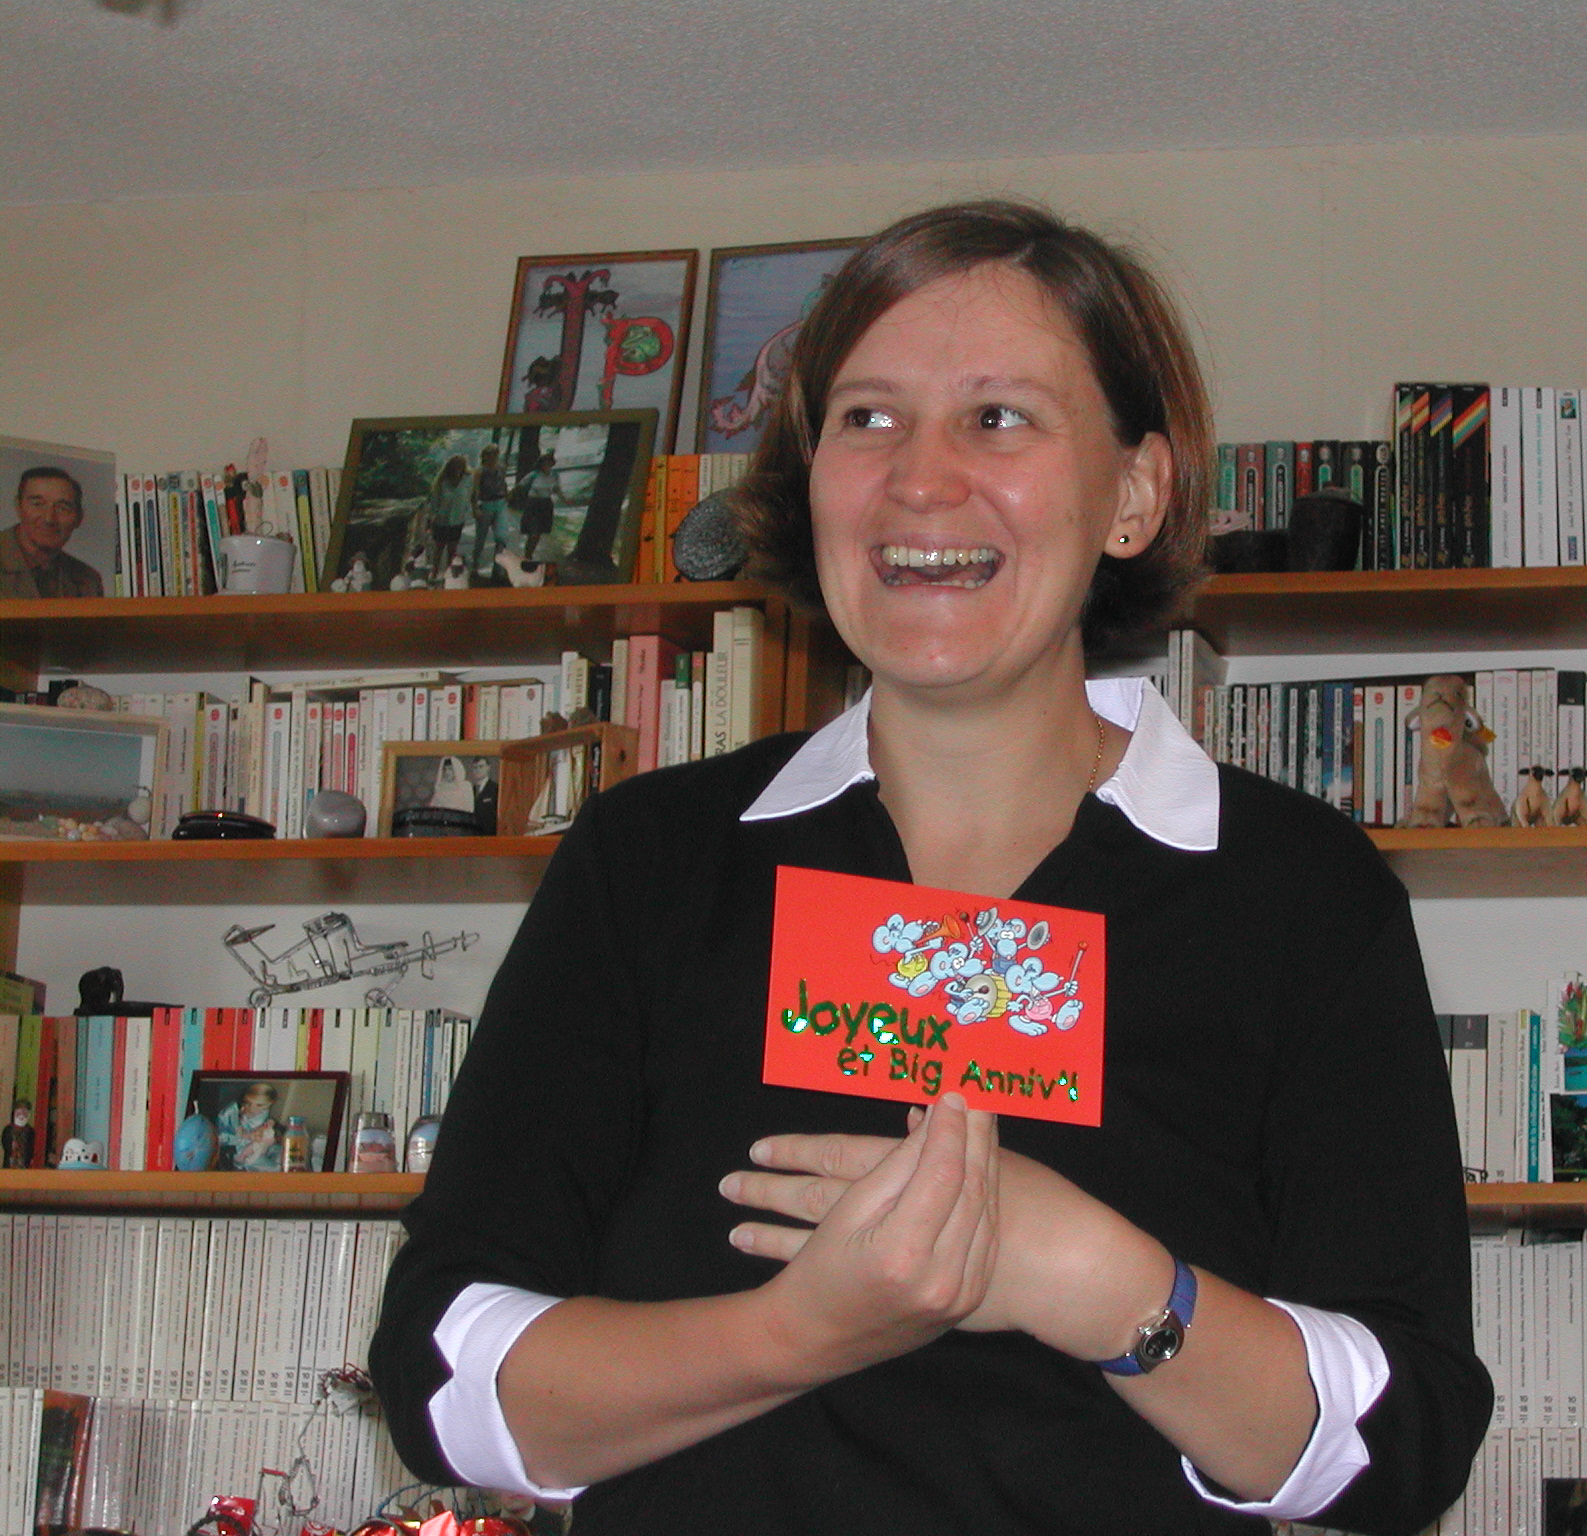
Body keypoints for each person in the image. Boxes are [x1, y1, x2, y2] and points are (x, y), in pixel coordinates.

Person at [370, 201, 1488, 1533]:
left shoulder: (1299, 894)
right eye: (868, 417)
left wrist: (1095, 1282)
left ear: (1134, 493)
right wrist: (802, 1330)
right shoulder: (650, 861)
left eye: (998, 418)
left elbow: (1403, 1437)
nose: (919, 478)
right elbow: (442, 1374)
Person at [0, 466, 103, 599]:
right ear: (18, 507)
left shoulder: (88, 580)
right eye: (37, 504)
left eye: (62, 508)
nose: (49, 519)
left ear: (79, 518)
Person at [217, 1081, 283, 1171]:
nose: (254, 1108)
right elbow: (223, 1138)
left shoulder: (263, 1112)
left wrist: (268, 1125)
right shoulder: (232, 1112)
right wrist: (249, 1136)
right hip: (238, 1147)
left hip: (259, 1144)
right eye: (250, 1103)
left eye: (261, 1105)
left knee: (281, 1154)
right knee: (274, 1168)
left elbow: (265, 1126)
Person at [425, 454, 472, 576]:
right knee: (439, 547)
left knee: (452, 548)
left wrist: (468, 510)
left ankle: (448, 573)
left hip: (457, 520)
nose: (458, 469)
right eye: (455, 466)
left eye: (460, 466)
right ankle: (435, 571)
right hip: (442, 520)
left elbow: (469, 496)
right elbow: (434, 501)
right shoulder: (442, 482)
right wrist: (431, 518)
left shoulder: (467, 480)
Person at [469, 444, 509, 571]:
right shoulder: (480, 471)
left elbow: (503, 483)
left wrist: (507, 497)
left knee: (502, 536)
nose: (493, 457)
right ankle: (475, 562)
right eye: (490, 454)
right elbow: (474, 490)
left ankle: (498, 567)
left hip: (500, 503)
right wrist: (475, 508)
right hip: (486, 504)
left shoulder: (501, 468)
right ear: (485, 456)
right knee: (481, 537)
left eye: (495, 454)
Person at [515, 451, 559, 560]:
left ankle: (530, 553)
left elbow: (556, 489)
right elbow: (520, 486)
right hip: (533, 504)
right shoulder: (534, 475)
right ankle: (527, 554)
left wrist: (566, 499)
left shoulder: (554, 475)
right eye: (545, 463)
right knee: (533, 532)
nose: (547, 466)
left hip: (546, 504)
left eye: (549, 463)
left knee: (539, 533)